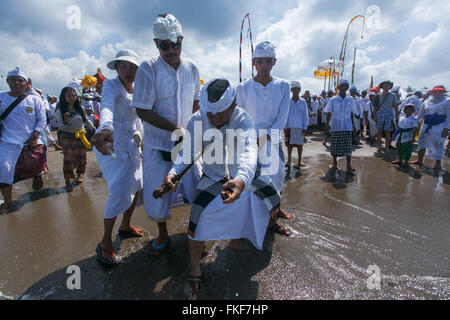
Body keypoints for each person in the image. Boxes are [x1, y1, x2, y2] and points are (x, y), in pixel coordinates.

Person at [163, 79, 280, 300]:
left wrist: (241, 180)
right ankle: (195, 269)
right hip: (214, 176)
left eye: (219, 114)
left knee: (273, 198)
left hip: (242, 173)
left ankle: (270, 221)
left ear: (234, 106)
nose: (213, 119)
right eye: (209, 113)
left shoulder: (244, 119)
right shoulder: (197, 119)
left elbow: (249, 152)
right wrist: (172, 174)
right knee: (196, 218)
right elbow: (186, 154)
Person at [132, 13, 201, 254]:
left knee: (199, 188)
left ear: (182, 39)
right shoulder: (147, 68)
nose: (171, 50)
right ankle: (163, 235)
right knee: (158, 194)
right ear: (156, 44)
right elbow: (141, 108)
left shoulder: (192, 68)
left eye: (176, 44)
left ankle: (197, 234)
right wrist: (173, 128)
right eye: (164, 45)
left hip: (187, 144)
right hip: (157, 144)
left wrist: (191, 128)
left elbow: (196, 103)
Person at [91, 49, 144, 266]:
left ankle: (126, 225)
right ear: (116, 68)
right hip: (110, 144)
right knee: (119, 191)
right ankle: (105, 241)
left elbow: (140, 116)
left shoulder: (139, 89)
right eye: (124, 66)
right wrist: (104, 129)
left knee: (137, 185)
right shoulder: (111, 86)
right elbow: (106, 109)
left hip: (133, 144)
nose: (128, 70)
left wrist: (144, 137)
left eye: (133, 67)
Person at [236, 41, 293, 237]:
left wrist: (267, 136)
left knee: (277, 177)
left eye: (268, 61)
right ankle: (259, 216)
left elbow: (282, 116)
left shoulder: (283, 86)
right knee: (253, 180)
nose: (264, 66)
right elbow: (240, 116)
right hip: (251, 141)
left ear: (274, 62)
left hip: (273, 139)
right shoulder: (243, 88)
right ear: (253, 63)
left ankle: (272, 219)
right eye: (259, 61)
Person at [0, 67, 47, 213]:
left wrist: (34, 135)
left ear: (27, 84)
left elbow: (42, 119)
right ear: (8, 82)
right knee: (4, 171)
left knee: (35, 165)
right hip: (7, 143)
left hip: (31, 141)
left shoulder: (34, 100)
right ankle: (8, 201)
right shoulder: (1, 97)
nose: (17, 83)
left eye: (21, 80)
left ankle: (37, 176)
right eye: (13, 80)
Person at [55, 87, 95, 191]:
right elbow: (60, 126)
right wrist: (66, 122)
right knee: (69, 159)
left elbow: (85, 121)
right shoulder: (60, 109)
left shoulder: (79, 108)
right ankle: (67, 180)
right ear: (63, 97)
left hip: (81, 136)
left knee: (82, 158)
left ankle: (79, 174)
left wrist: (95, 129)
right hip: (67, 136)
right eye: (68, 96)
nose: (72, 98)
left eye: (73, 96)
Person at [410, 86, 450, 170]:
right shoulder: (426, 102)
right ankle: (419, 160)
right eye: (435, 91)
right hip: (426, 126)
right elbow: (420, 115)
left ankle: (437, 164)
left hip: (439, 126)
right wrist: (410, 118)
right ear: (432, 92)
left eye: (439, 91)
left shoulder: (446, 101)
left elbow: (448, 116)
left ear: (443, 92)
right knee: (422, 143)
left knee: (438, 144)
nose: (437, 93)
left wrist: (446, 128)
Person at [324, 79, 357, 173]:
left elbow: (351, 113)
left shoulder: (350, 99)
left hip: (347, 126)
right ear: (339, 87)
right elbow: (328, 112)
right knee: (335, 146)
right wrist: (327, 125)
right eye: (342, 86)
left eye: (346, 86)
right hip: (335, 126)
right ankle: (334, 164)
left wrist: (354, 126)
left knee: (348, 147)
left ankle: (348, 166)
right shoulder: (333, 100)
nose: (344, 87)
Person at [284, 81, 309, 168]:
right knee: (289, 144)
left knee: (300, 144)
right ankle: (289, 160)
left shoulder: (303, 102)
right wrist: (285, 127)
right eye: (294, 89)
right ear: (291, 90)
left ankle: (299, 160)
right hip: (290, 126)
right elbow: (285, 115)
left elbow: (305, 115)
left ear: (300, 90)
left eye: (297, 89)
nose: (296, 91)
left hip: (299, 126)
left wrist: (305, 127)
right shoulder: (287, 102)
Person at [373, 80, 398, 153]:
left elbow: (395, 105)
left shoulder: (393, 96)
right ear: (382, 87)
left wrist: (396, 114)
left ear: (390, 87)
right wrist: (374, 116)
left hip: (389, 114)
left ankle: (387, 147)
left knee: (388, 131)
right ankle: (379, 147)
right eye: (385, 85)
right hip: (380, 113)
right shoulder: (378, 95)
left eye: (388, 85)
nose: (386, 86)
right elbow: (375, 107)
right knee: (379, 131)